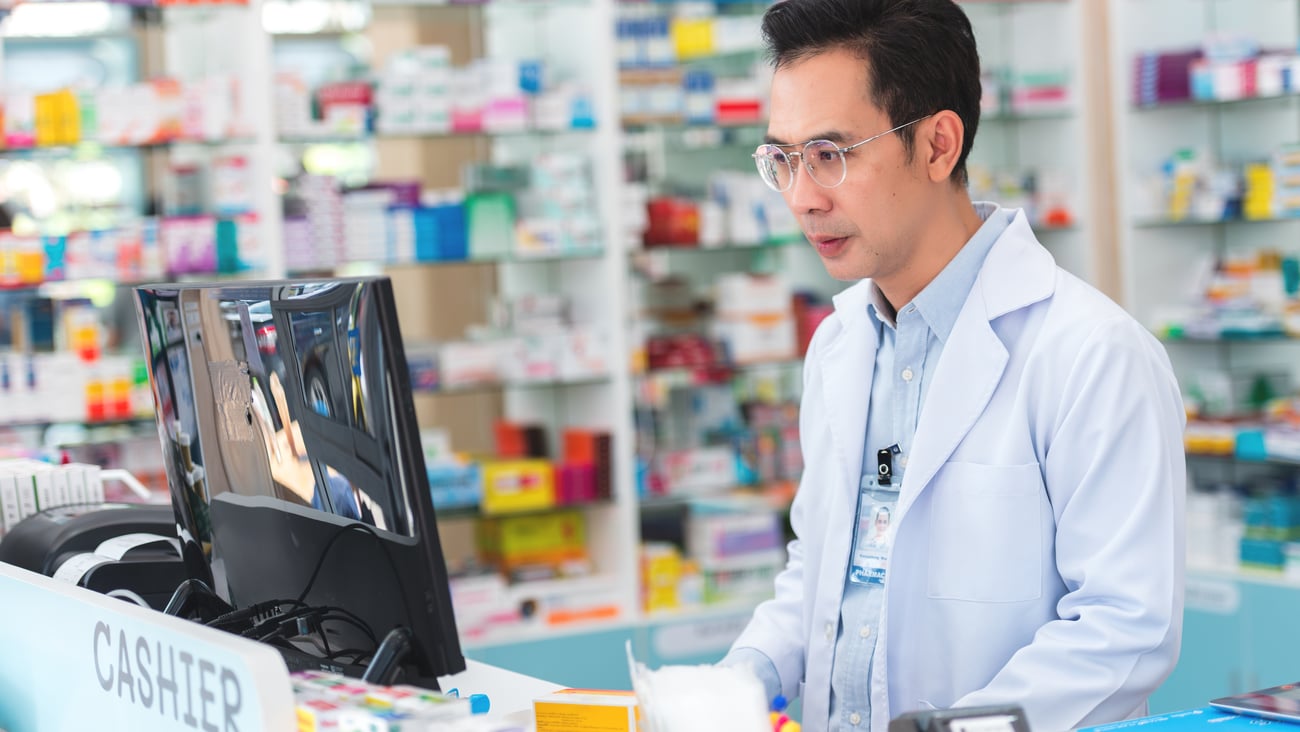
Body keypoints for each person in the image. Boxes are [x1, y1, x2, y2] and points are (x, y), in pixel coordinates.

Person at [720, 2, 1187, 731]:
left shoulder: (1092, 355)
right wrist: (735, 685)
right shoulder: (838, 348)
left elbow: (1123, 628)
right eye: (783, 158)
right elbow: (819, 576)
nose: (804, 198)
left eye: (831, 155)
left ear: (939, 145)